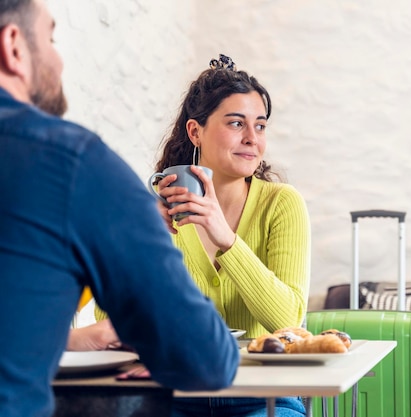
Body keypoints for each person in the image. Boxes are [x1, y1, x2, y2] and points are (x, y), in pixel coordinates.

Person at [0, 1, 239, 417]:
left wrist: (71, 339)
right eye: (51, 38)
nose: (58, 58)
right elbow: (208, 358)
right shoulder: (70, 163)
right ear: (14, 46)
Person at [153, 55, 311, 416]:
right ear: (196, 131)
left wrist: (226, 238)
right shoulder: (156, 212)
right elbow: (108, 323)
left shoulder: (282, 204)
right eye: (236, 123)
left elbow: (288, 320)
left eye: (260, 126)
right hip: (175, 395)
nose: (251, 139)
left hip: (266, 397)